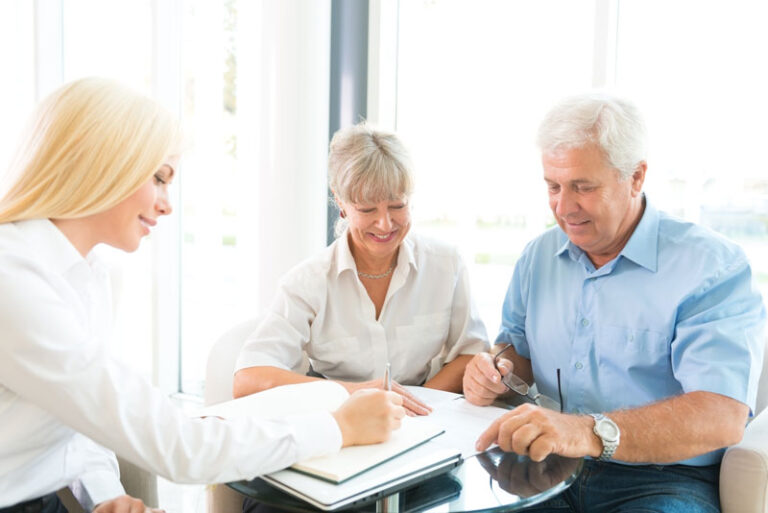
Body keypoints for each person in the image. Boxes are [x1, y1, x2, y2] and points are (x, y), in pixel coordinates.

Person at [0, 78, 405, 513]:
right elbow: (176, 446)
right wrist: (337, 428)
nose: (166, 204)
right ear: (103, 164)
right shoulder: (14, 280)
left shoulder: (88, 277)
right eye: (159, 178)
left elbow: (75, 415)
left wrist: (106, 497)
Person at [463, 93, 766, 512]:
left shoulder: (711, 267)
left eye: (583, 188)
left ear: (636, 177)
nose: (564, 207)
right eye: (553, 186)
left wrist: (586, 432)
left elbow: (721, 415)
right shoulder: (537, 257)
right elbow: (517, 353)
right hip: (548, 465)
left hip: (663, 479)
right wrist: (496, 370)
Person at [233, 122, 489, 415]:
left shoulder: (446, 264)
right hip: (341, 423)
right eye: (367, 210)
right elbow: (247, 379)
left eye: (397, 206)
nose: (384, 224)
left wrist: (413, 406)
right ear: (340, 202)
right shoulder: (308, 282)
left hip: (424, 420)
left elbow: (472, 352)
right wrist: (357, 394)